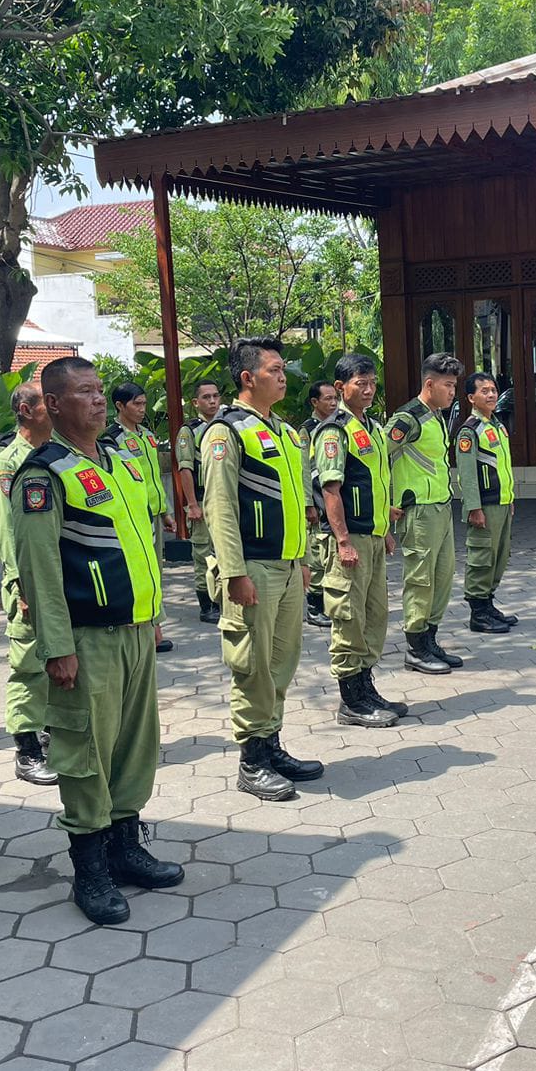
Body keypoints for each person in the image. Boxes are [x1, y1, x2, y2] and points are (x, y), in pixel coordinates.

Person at [11, 356, 183, 925]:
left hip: (134, 629)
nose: (98, 400)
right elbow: (39, 571)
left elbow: (136, 544)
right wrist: (55, 647)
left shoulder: (116, 459)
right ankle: (90, 869)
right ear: (55, 405)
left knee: (134, 747)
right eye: (84, 392)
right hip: (86, 639)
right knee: (86, 753)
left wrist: (152, 613)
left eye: (100, 389)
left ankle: (126, 845)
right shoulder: (44, 475)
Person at [201, 336, 323, 801]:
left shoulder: (284, 432)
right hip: (253, 568)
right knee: (252, 665)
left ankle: (271, 744)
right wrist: (234, 573)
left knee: (281, 662)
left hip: (288, 566)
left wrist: (305, 561)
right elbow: (221, 509)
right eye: (273, 369)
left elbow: (298, 507)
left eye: (282, 368)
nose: (283, 375)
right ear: (248, 378)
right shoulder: (226, 432)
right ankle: (251, 761)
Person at [314, 354, 404, 727]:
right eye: (359, 383)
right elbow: (331, 489)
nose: (368, 390)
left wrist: (384, 528)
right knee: (348, 618)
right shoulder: (334, 431)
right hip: (350, 542)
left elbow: (376, 481)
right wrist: (343, 540)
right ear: (340, 388)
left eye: (371, 382)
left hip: (373, 536)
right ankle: (351, 700)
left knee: (374, 616)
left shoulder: (372, 427)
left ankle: (366, 687)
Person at [0, 380, 55, 785]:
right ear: (27, 411)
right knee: (29, 665)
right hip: (27, 582)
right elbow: (4, 529)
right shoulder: (9, 462)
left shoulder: (54, 456)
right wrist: (22, 584)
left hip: (58, 578)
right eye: (48, 402)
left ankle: (49, 734)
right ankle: (27, 750)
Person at [388, 353, 464, 675]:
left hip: (441, 508)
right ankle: (416, 647)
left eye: (455, 385)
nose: (452, 392)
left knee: (443, 577)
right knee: (421, 580)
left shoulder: (435, 416)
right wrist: (384, 505)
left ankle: (430, 638)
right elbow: (379, 457)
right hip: (418, 511)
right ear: (429, 384)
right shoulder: (409, 418)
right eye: (448, 385)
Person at [103, 382, 175, 654]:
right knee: (142, 569)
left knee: (155, 569)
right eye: (137, 404)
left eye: (144, 403)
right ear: (120, 406)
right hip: (135, 515)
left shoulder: (146, 435)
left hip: (154, 512)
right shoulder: (112, 439)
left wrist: (165, 510)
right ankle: (150, 628)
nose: (143, 409)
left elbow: (153, 477)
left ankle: (154, 625)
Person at [456, 372, 519, 634]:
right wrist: (474, 507)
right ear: (471, 397)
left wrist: (511, 498)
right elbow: (467, 473)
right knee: (482, 557)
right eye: (484, 391)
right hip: (485, 506)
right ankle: (478, 613)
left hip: (502, 503)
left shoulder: (497, 426)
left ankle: (488, 604)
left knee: (499, 556)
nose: (491, 395)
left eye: (493, 390)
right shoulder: (470, 430)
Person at [174, 379, 223, 624]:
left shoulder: (225, 427)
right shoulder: (189, 431)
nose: (212, 401)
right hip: (202, 501)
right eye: (206, 397)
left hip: (224, 501)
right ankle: (207, 605)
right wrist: (192, 504)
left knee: (225, 551)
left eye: (215, 396)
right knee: (203, 554)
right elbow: (185, 469)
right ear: (196, 402)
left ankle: (223, 598)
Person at [300, 381, 339, 629]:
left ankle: (328, 602)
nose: (333, 403)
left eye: (335, 398)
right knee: (315, 556)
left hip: (332, 501)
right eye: (327, 399)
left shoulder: (337, 426)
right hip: (315, 500)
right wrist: (307, 504)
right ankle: (314, 607)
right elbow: (303, 468)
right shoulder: (307, 430)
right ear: (315, 402)